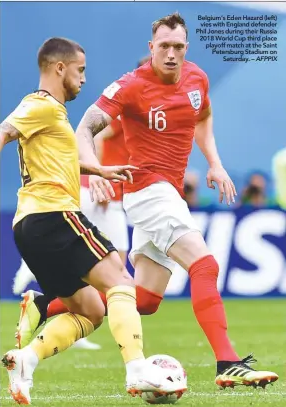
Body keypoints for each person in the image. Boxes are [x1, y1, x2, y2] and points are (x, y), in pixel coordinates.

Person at [74, 12, 278, 389]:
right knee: (205, 264)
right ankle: (228, 362)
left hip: (165, 192)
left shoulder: (197, 78)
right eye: (164, 46)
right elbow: (85, 126)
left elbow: (202, 118)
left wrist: (215, 164)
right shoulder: (131, 85)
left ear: (187, 48)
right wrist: (93, 170)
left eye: (178, 47)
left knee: (146, 300)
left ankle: (53, 303)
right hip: (148, 190)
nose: (171, 53)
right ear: (151, 47)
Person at [0, 37, 182, 405]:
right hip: (53, 214)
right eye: (80, 70)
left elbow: (58, 158)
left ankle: (26, 360)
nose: (84, 78)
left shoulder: (53, 114)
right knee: (120, 280)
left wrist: (99, 169)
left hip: (30, 225)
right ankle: (137, 370)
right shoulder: (40, 105)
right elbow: (4, 131)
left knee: (91, 309)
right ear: (59, 68)